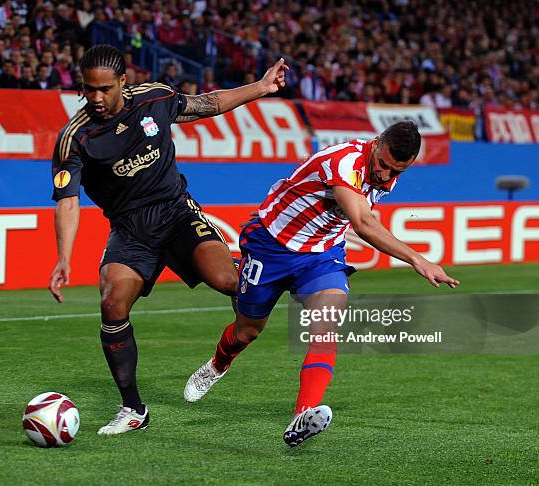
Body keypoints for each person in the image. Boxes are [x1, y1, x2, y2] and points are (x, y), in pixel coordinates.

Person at [49, 44, 288, 436]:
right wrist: (63, 258)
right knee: (112, 303)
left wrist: (260, 87)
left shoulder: (154, 98)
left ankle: (236, 337)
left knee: (230, 282)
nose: (95, 98)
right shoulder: (76, 137)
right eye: (88, 89)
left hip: (177, 213)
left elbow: (207, 103)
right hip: (131, 231)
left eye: (104, 89)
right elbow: (68, 202)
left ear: (122, 83)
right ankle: (133, 410)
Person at [184, 121, 460, 446]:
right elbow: (362, 221)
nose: (385, 175)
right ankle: (218, 364)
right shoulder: (344, 161)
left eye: (396, 170)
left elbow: (360, 216)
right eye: (383, 164)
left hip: (321, 255)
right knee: (247, 331)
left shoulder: (387, 175)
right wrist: (417, 258)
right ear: (375, 144)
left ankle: (303, 415)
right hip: (271, 245)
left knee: (327, 323)